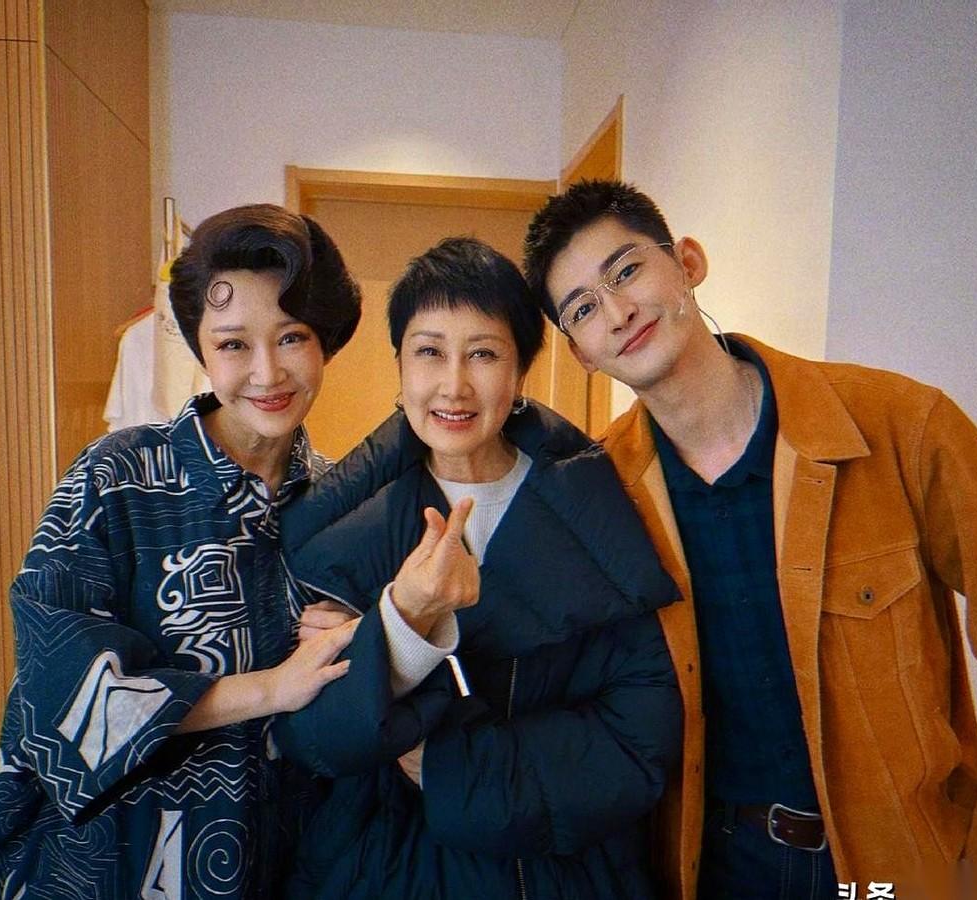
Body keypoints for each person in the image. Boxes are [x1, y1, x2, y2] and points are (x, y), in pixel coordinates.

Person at [521, 180, 977, 900]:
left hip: (893, 869)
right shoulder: (602, 495)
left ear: (687, 263)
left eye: (626, 270)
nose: (617, 311)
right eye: (583, 308)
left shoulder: (898, 424)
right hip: (711, 869)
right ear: (581, 353)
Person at [274, 237, 684, 898]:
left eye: (484, 354)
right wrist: (405, 619)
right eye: (429, 352)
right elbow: (311, 739)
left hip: (555, 876)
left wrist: (439, 760)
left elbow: (637, 735)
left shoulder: (600, 506)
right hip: (384, 871)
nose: (454, 385)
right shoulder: (334, 528)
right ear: (399, 364)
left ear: (521, 370)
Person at [0, 204, 365, 898]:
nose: (267, 372)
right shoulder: (116, 476)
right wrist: (271, 688)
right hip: (106, 868)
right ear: (200, 349)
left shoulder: (346, 503)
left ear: (325, 343)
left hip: (279, 866)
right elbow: (62, 693)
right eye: (233, 344)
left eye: (292, 337)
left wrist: (364, 640)